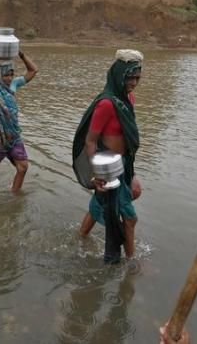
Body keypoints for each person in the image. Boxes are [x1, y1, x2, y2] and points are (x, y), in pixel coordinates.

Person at [72, 49, 144, 263]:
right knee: (130, 218)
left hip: (123, 164)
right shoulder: (106, 104)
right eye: (130, 77)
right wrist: (96, 175)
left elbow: (127, 136)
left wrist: (132, 170)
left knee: (110, 200)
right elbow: (91, 141)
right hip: (107, 167)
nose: (134, 82)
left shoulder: (128, 99)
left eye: (138, 78)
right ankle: (131, 263)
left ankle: (79, 238)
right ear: (118, 75)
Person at [0, 50, 38, 192]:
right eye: (6, 74)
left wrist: (22, 55)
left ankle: (14, 195)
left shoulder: (13, 85)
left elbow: (33, 70)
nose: (10, 78)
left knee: (23, 167)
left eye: (11, 74)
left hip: (13, 136)